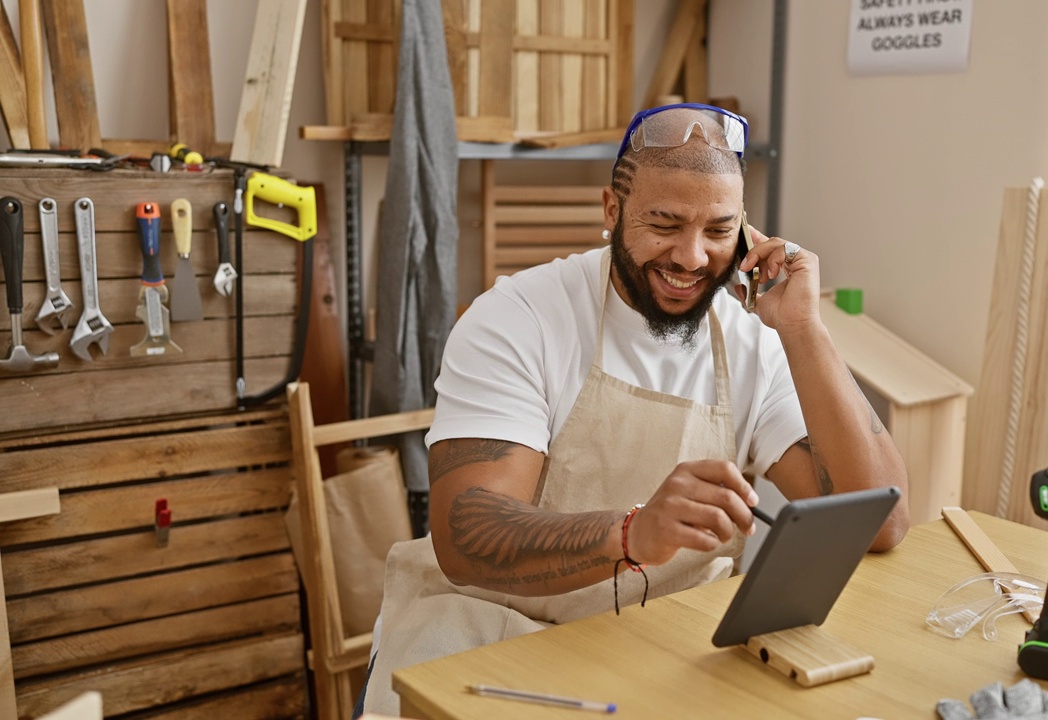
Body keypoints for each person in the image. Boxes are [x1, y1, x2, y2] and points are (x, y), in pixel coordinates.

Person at [358, 103, 910, 715]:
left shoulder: (756, 340)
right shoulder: (519, 318)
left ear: (748, 233)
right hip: (488, 639)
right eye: (665, 223)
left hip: (654, 650)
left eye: (719, 230)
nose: (692, 257)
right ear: (613, 210)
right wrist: (632, 532)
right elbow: (467, 536)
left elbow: (880, 522)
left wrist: (805, 330)